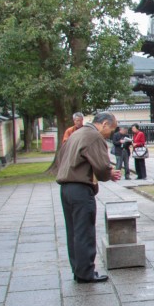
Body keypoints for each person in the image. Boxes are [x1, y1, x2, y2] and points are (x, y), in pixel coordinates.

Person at [56, 112, 121, 282]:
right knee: (84, 232)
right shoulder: (93, 136)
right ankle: (86, 272)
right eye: (112, 129)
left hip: (66, 188)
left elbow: (61, 158)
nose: (111, 133)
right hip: (80, 189)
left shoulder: (76, 134)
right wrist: (109, 173)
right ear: (105, 124)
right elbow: (101, 165)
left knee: (74, 232)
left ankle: (78, 270)